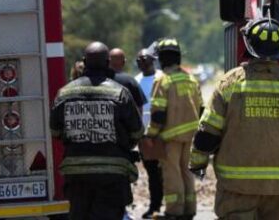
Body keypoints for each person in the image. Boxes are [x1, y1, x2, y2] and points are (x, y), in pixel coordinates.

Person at [189, 18, 279, 220]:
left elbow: (208, 132)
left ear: (249, 45)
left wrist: (198, 163)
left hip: (237, 184)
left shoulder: (230, 83)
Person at [50, 42, 144, 219]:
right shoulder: (120, 93)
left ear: (84, 62)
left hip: (76, 176)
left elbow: (55, 131)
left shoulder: (64, 93)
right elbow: (137, 132)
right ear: (108, 63)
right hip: (112, 175)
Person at [145, 38, 202, 220]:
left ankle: (174, 210)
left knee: (172, 174)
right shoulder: (191, 79)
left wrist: (150, 135)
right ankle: (189, 209)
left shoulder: (163, 81)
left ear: (161, 59)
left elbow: (158, 114)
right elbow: (201, 109)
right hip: (191, 137)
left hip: (171, 138)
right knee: (187, 172)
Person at [134, 49, 164, 219]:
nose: (143, 63)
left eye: (146, 60)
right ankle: (155, 206)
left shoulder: (162, 78)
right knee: (153, 174)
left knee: (167, 173)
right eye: (140, 61)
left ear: (153, 61)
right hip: (145, 136)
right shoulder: (136, 81)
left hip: (164, 134)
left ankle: (172, 207)